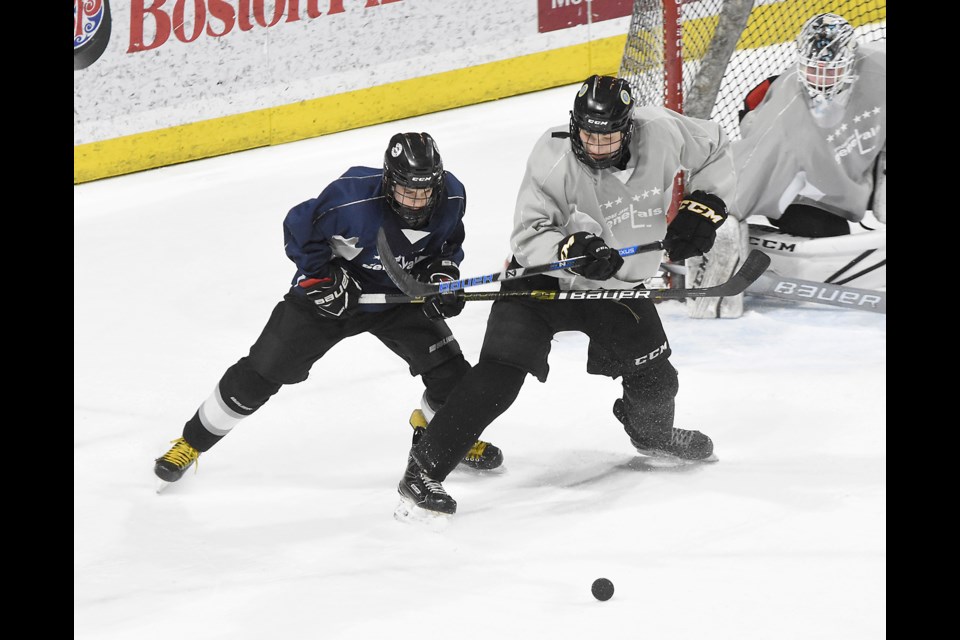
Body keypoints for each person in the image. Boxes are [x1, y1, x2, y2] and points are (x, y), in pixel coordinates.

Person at [393, 75, 736, 517]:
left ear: (629, 127)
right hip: (542, 284)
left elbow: (717, 146)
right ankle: (424, 468)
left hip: (616, 285)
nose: (595, 145)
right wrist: (566, 250)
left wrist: (703, 205)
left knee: (656, 379)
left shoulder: (663, 131)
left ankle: (651, 435)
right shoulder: (552, 154)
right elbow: (526, 235)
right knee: (499, 376)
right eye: (587, 134)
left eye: (607, 135)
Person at [154, 132, 503, 486]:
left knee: (454, 377)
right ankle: (191, 442)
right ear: (388, 181)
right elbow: (298, 229)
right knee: (262, 371)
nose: (416, 201)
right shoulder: (349, 199)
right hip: (333, 301)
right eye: (406, 191)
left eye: (424, 191)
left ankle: (444, 439)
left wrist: (441, 277)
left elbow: (446, 246)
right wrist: (324, 277)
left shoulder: (452, 196)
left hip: (399, 298)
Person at [687, 12, 886, 318]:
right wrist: (710, 212)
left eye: (830, 71)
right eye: (813, 69)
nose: (820, 80)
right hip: (807, 180)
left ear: (851, 60)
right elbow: (748, 164)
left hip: (863, 163)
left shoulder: (877, 67)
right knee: (824, 233)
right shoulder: (784, 113)